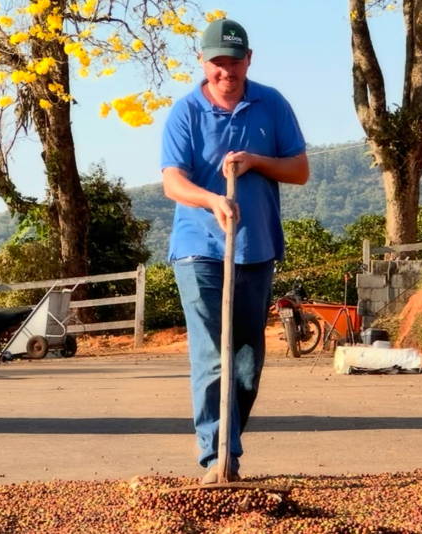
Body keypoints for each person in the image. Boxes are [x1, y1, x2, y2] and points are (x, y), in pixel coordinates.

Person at [160, 18, 309, 484]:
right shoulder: (185, 112)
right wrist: (211, 200)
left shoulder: (272, 104)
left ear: (249, 59)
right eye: (217, 62)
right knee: (211, 354)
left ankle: (230, 445)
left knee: (246, 360)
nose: (227, 71)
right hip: (198, 249)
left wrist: (256, 161)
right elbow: (172, 181)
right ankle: (216, 459)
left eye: (234, 61)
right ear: (203, 64)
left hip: (256, 246)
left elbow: (300, 170)